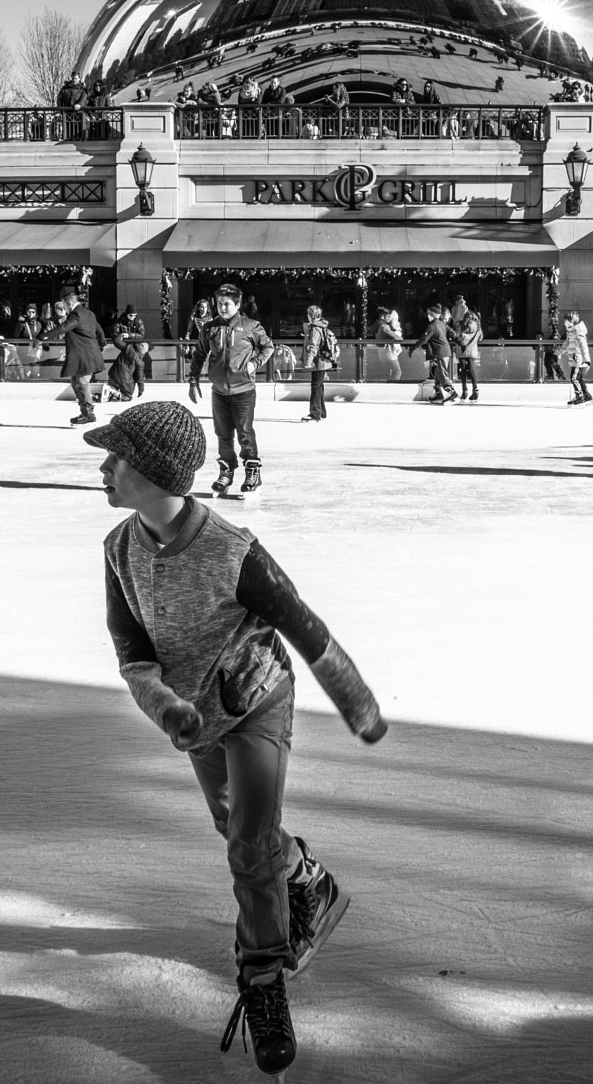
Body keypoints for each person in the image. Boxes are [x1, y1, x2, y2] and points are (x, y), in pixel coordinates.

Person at [83, 401, 384, 1075]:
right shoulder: (118, 550)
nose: (104, 467)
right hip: (195, 717)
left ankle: (264, 981)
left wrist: (358, 702)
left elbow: (308, 631)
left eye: (117, 458)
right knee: (237, 826)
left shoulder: (232, 551)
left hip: (256, 703)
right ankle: (308, 876)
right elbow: (133, 657)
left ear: (157, 473)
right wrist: (168, 708)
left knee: (248, 843)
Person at [188, 283, 274, 494]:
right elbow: (199, 353)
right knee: (223, 434)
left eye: (226, 304)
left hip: (243, 390)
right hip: (219, 391)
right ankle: (226, 472)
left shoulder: (251, 326)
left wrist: (254, 363)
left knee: (245, 432)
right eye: (219, 304)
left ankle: (253, 472)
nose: (222, 308)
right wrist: (193, 381)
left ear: (237, 304)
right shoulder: (210, 328)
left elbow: (268, 347)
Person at [56, 285, 108, 425]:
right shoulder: (89, 313)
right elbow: (99, 330)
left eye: (64, 306)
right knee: (76, 382)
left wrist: (41, 338)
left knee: (81, 383)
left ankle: (89, 414)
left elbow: (63, 328)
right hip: (84, 355)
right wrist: (102, 344)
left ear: (69, 303)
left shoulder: (77, 314)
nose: (64, 309)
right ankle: (85, 412)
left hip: (86, 356)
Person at [411, 304, 458, 405]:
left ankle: (453, 395)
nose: (427, 316)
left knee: (442, 374)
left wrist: (413, 347)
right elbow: (452, 332)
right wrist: (458, 337)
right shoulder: (441, 324)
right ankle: (438, 394)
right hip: (444, 352)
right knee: (438, 373)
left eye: (429, 314)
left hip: (440, 353)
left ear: (432, 315)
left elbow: (424, 340)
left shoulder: (432, 326)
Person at [300, 304, 337, 421]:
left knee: (316, 387)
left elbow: (314, 346)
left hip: (318, 361)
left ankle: (315, 414)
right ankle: (321, 412)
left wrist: (308, 362)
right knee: (319, 386)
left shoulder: (315, 328)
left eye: (308, 314)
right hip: (322, 361)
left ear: (311, 315)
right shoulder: (320, 326)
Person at [108, 306, 149, 402]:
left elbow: (141, 335)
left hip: (114, 374)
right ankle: (120, 394)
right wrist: (141, 389)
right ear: (126, 314)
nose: (133, 317)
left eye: (135, 315)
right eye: (131, 315)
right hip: (122, 379)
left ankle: (114, 392)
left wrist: (128, 336)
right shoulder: (138, 359)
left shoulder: (128, 350)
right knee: (128, 394)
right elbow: (139, 376)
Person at [558, 309, 593, 406]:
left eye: (565, 321)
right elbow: (567, 344)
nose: (564, 323)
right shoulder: (571, 332)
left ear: (570, 321)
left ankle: (579, 397)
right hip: (575, 359)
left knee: (574, 378)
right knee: (579, 378)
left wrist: (587, 360)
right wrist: (558, 352)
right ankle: (587, 396)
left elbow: (583, 346)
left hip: (578, 359)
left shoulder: (577, 332)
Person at [452, 305, 483, 402]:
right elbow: (480, 338)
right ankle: (475, 390)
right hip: (472, 350)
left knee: (463, 370)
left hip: (462, 350)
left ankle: (464, 391)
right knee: (472, 369)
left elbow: (457, 336)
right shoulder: (477, 326)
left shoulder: (460, 325)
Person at [373, 307, 404, 382]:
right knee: (398, 371)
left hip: (381, 351)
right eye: (388, 317)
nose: (390, 319)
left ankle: (385, 387)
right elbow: (397, 338)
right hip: (388, 351)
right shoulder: (385, 327)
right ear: (383, 317)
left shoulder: (377, 325)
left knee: (386, 372)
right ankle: (393, 388)